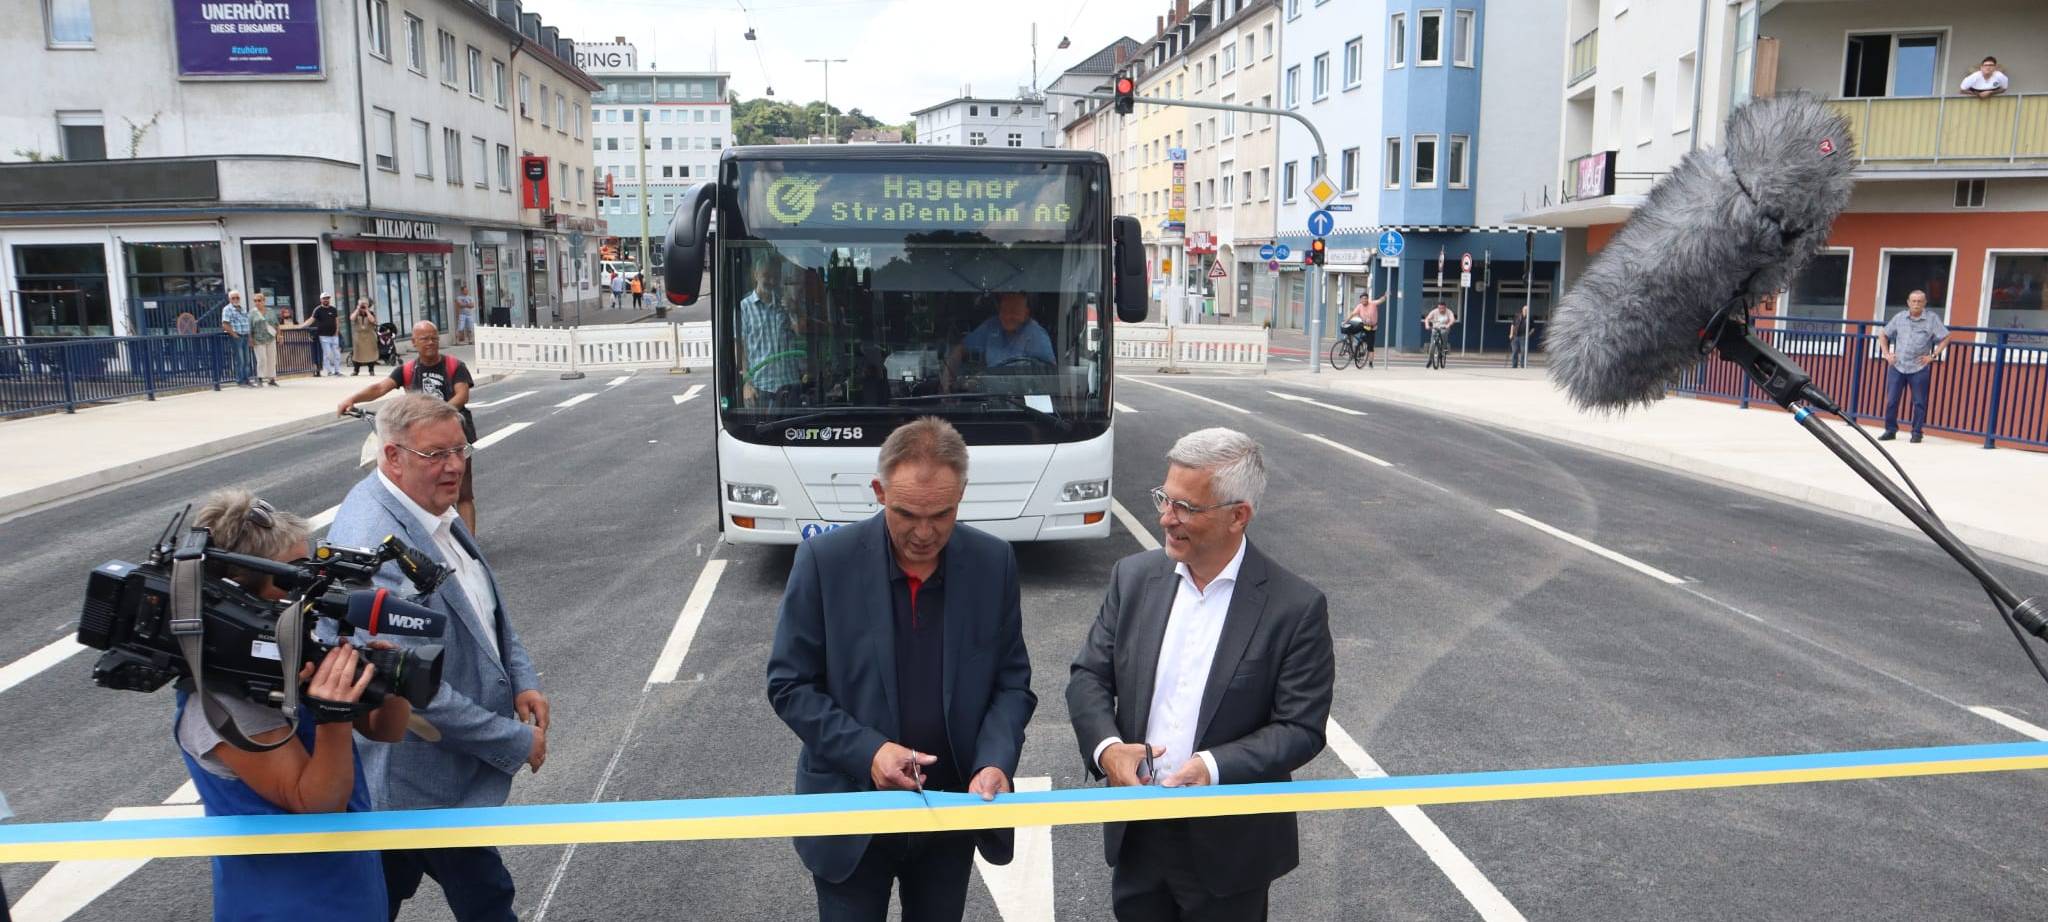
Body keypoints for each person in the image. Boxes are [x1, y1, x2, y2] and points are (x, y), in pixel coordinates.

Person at [766, 417, 1036, 922]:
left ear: (962, 495)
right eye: (906, 513)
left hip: (950, 809)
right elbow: (789, 684)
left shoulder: (993, 563)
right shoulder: (825, 562)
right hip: (850, 814)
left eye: (943, 513)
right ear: (878, 491)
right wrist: (869, 752)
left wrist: (995, 761)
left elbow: (1011, 684)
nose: (925, 532)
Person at [1067, 428, 1335, 922]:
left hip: (1230, 851)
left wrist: (1211, 767)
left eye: (1186, 508)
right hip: (1139, 831)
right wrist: (1107, 751)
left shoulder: (1294, 608)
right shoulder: (1132, 579)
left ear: (1239, 516)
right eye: (1165, 499)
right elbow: (1088, 677)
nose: (1166, 518)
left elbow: (1300, 727)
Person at [326, 394, 547, 922]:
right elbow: (406, 683)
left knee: (389, 895)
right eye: (435, 454)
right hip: (412, 774)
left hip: (424, 780)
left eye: (460, 449)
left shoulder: (431, 509)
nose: (453, 466)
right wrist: (514, 740)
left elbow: (485, 604)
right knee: (485, 898)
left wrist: (521, 678)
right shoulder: (373, 545)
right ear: (392, 456)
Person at [175, 489, 412, 922]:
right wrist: (333, 716)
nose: (309, 590)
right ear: (239, 597)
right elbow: (316, 803)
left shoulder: (283, 655)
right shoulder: (222, 702)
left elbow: (384, 730)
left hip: (346, 892)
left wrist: (393, 678)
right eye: (292, 578)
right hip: (286, 907)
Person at [339, 321, 479, 534]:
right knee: (424, 489)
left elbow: (462, 395)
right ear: (414, 342)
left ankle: (470, 544)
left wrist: (434, 416)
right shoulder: (407, 370)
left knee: (463, 493)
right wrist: (351, 399)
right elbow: (380, 388)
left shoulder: (454, 366)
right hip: (420, 442)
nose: (430, 343)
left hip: (454, 437)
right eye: (424, 339)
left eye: (434, 338)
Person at [1879, 290, 1951, 443]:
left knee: (1919, 402)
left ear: (1925, 303)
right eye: (1914, 301)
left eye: (1920, 301)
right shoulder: (1899, 317)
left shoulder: (1932, 319)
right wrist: (1887, 354)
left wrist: (1933, 356)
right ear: (1908, 302)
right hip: (1897, 366)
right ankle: (1890, 430)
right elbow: (1883, 334)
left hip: (1918, 367)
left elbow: (1946, 337)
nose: (1916, 304)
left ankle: (1917, 432)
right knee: (1891, 401)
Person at [739, 257, 807, 406]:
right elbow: (740, 349)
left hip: (790, 384)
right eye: (766, 276)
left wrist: (793, 310)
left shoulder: (785, 304)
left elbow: (801, 334)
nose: (771, 281)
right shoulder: (744, 308)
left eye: (775, 277)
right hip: (760, 388)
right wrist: (746, 383)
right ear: (755, 275)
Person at [946, 293, 1055, 385]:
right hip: (991, 399)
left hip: (1022, 401)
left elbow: (1051, 375)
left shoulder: (1037, 335)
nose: (1007, 316)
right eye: (1004, 310)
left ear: (1026, 313)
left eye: (1014, 311)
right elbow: (960, 349)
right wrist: (946, 380)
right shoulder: (992, 326)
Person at [1340, 291, 1385, 367]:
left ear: (1368, 299)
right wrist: (1345, 322)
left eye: (1365, 298)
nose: (1364, 300)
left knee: (1370, 346)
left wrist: (1385, 296)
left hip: (1371, 327)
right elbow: (1352, 314)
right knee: (1351, 329)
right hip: (1363, 325)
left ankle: (1370, 363)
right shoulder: (1359, 306)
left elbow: (1380, 300)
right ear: (1360, 300)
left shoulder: (1372, 304)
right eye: (1362, 299)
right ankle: (1351, 345)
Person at [220, 290, 255, 387]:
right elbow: (225, 324)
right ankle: (240, 380)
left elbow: (247, 323)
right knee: (240, 360)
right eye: (233, 298)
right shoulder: (227, 309)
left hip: (245, 336)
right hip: (237, 337)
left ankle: (247, 379)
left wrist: (250, 337)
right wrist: (234, 334)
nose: (235, 299)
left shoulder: (242, 308)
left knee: (247, 360)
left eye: (237, 297)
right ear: (229, 299)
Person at [248, 292, 282, 387]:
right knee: (261, 359)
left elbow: (276, 324)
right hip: (258, 339)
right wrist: (250, 338)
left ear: (264, 301)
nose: (257, 302)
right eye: (255, 301)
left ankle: (271, 378)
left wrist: (279, 335)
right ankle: (260, 378)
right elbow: (249, 327)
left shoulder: (270, 311)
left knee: (272, 358)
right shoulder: (252, 313)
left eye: (259, 300)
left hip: (270, 337)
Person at [1508, 303, 1532, 369]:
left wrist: (1529, 334)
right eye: (1525, 309)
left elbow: (1533, 328)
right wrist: (1511, 334)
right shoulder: (1517, 316)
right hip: (1515, 336)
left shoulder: (1530, 318)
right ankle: (1514, 366)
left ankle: (1523, 365)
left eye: (1527, 310)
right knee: (1515, 351)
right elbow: (1512, 325)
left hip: (1523, 337)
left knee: (1523, 351)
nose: (1525, 311)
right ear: (1522, 310)